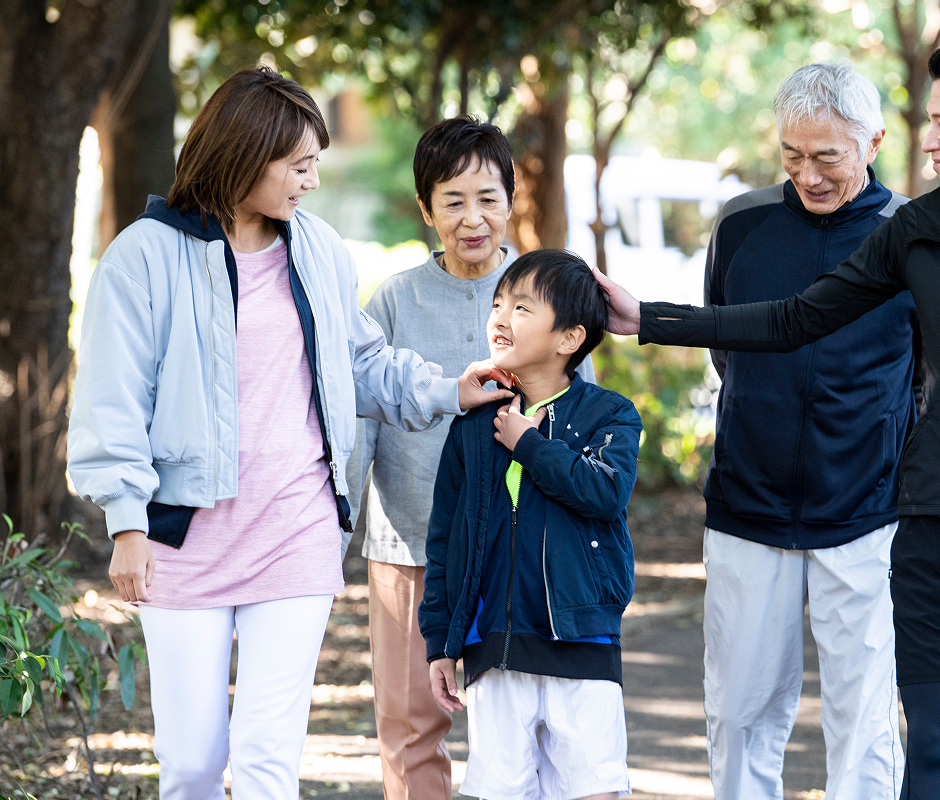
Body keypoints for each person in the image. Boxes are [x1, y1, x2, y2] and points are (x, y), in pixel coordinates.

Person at [596, 30, 940, 800]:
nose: (932, 140)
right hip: (919, 526)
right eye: (931, 120)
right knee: (928, 747)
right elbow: (790, 321)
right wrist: (649, 316)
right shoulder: (916, 231)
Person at [67, 68, 510, 799]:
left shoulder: (316, 248)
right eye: (298, 164)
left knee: (269, 758)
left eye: (314, 164)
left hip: (295, 532)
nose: (310, 180)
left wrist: (446, 389)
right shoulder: (145, 255)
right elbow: (111, 399)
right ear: (246, 155)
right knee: (191, 766)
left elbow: (362, 362)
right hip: (183, 536)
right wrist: (125, 521)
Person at [344, 116, 593, 800]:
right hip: (412, 547)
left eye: (487, 197)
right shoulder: (394, 298)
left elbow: (583, 416)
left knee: (529, 733)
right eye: (452, 201)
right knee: (410, 728)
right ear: (426, 209)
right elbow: (362, 417)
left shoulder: (548, 288)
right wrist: (337, 531)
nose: (472, 218)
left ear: (511, 199)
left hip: (520, 549)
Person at [695, 62, 915, 800]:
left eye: (828, 157)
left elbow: (930, 375)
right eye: (793, 155)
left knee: (864, 719)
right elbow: (727, 349)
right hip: (747, 506)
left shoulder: (916, 237)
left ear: (874, 141)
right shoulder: (741, 223)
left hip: (868, 513)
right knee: (740, 712)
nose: (808, 175)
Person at [420, 250, 641, 800]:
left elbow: (604, 492)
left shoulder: (609, 415)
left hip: (581, 639)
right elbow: (445, 538)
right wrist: (440, 643)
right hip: (494, 642)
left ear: (569, 337)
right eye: (498, 303)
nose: (500, 317)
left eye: (522, 307)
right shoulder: (473, 426)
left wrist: (530, 445)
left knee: (595, 789)